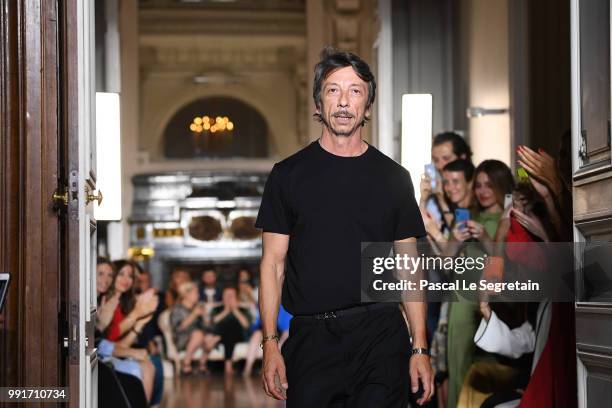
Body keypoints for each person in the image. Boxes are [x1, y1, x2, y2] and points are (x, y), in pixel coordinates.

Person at [255, 47, 433, 407]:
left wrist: (420, 346)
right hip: (312, 338)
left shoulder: (394, 178)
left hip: (381, 333)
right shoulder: (287, 175)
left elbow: (408, 268)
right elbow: (272, 265)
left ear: (367, 106)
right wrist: (270, 344)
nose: (343, 101)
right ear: (318, 104)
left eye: (355, 91)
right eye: (333, 90)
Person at [445, 160, 514, 407]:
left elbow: (505, 260)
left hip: (495, 303)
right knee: (459, 369)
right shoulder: (467, 215)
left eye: (490, 185)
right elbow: (445, 262)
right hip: (462, 301)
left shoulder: (512, 218)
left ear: (502, 186)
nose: (483, 191)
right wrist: (454, 238)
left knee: (491, 370)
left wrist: (484, 236)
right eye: (479, 185)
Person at [169, 281, 220, 375]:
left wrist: (206, 318)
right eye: (195, 293)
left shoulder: (197, 307)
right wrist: (194, 314)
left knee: (212, 337)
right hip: (181, 338)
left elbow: (207, 327)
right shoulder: (177, 309)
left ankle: (202, 364)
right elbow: (178, 328)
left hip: (197, 337)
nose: (198, 295)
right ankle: (186, 364)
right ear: (186, 295)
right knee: (198, 334)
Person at [210, 286, 252, 375]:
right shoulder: (217, 309)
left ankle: (217, 339)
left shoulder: (243, 309)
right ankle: (228, 365)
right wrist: (225, 311)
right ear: (222, 297)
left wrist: (235, 310)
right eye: (226, 295)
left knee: (231, 325)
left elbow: (246, 325)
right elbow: (212, 324)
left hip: (239, 336)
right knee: (228, 329)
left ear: (236, 297)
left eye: (231, 295)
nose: (229, 298)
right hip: (223, 336)